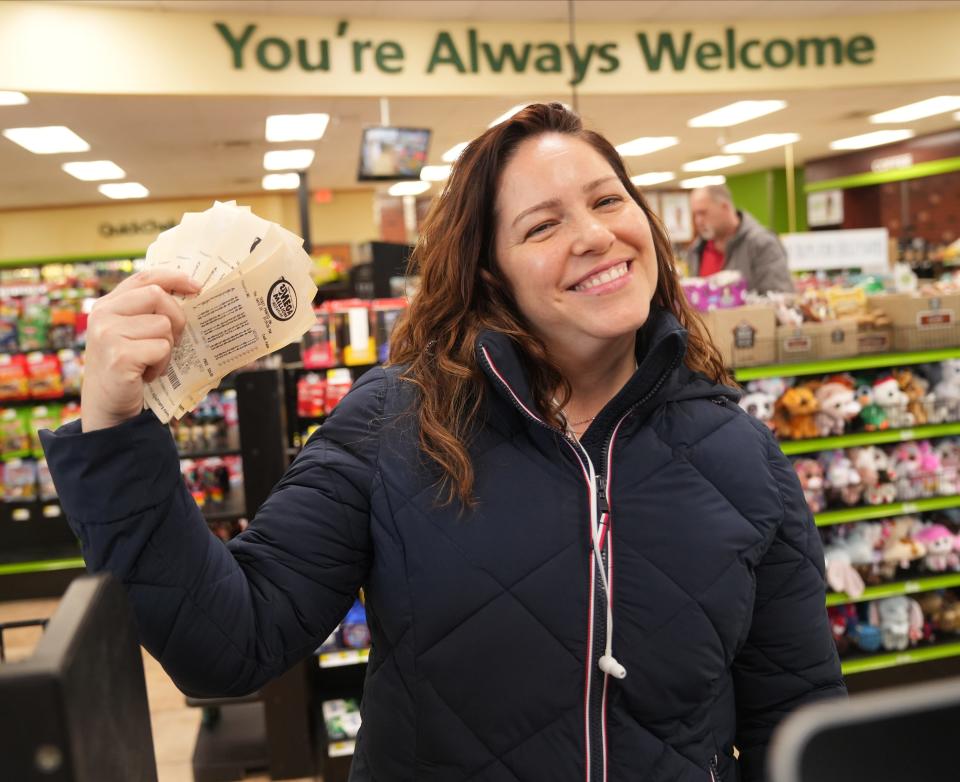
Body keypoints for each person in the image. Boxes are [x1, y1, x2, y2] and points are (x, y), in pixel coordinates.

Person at [41, 103, 844, 782]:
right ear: (491, 273)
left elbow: (795, 721)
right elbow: (228, 643)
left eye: (608, 201)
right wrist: (114, 430)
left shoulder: (744, 457)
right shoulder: (393, 426)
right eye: (543, 225)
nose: (595, 236)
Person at [687, 184, 795, 293]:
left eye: (702, 213)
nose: (698, 221)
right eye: (695, 215)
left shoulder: (762, 243)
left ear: (725, 207)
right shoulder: (696, 250)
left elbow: (781, 296)